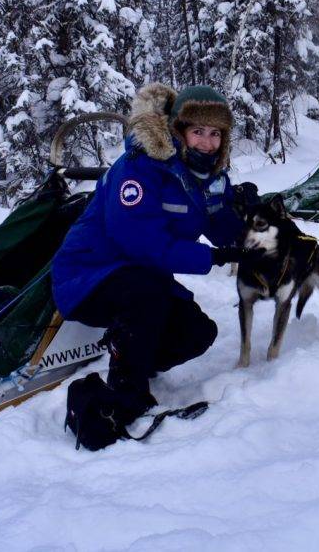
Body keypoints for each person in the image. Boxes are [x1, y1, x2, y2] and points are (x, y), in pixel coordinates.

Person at [51, 83, 251, 424]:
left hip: (144, 277)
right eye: (198, 131)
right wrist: (211, 258)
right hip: (88, 274)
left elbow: (218, 223)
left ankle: (134, 352)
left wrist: (248, 219)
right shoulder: (141, 167)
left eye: (216, 133)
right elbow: (138, 242)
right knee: (146, 293)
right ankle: (127, 393)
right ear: (178, 130)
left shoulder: (206, 173)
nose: (207, 142)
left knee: (198, 333)